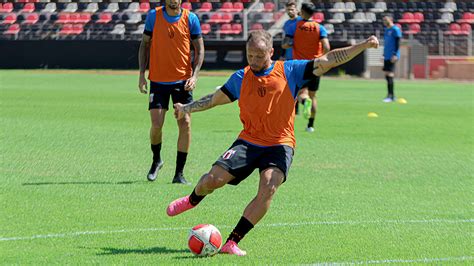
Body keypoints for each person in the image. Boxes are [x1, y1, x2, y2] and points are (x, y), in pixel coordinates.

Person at [166, 30, 379, 256]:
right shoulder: (241, 77)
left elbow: (330, 60)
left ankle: (232, 241)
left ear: (271, 52)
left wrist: (363, 45)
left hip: (280, 144)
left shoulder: (290, 70)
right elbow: (214, 100)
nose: (254, 61)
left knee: (268, 187)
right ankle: (192, 199)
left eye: (259, 56)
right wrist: (186, 108)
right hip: (248, 141)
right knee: (212, 180)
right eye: (250, 56)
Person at [138, 0, 204, 184]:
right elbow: (144, 45)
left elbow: (199, 49)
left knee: (185, 124)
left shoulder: (191, 18)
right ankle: (156, 159)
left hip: (182, 82)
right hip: (158, 80)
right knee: (157, 124)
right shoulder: (153, 16)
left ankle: (179, 174)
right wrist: (142, 74)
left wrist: (195, 75)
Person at [282, 2, 330, 132]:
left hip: (301, 65)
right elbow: (327, 47)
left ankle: (304, 102)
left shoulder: (294, 26)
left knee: (300, 93)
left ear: (301, 12)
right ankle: (310, 125)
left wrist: (291, 44)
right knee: (313, 96)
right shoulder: (320, 28)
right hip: (316, 64)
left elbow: (286, 44)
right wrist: (322, 58)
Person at [281, 1, 300, 114]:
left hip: (299, 57)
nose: (290, 11)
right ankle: (294, 107)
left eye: (292, 9)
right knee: (289, 84)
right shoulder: (286, 24)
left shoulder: (301, 22)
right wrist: (283, 54)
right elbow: (285, 41)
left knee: (296, 83)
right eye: (288, 10)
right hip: (288, 58)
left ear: (297, 10)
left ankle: (296, 107)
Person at [382, 15, 402, 102]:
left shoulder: (395, 29)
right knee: (387, 74)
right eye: (383, 20)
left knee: (390, 74)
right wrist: (383, 54)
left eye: (386, 20)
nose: (384, 21)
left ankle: (391, 96)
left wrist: (395, 54)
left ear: (391, 20)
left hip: (392, 55)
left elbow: (398, 42)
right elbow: (386, 43)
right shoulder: (386, 30)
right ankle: (390, 95)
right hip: (387, 55)